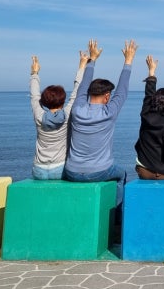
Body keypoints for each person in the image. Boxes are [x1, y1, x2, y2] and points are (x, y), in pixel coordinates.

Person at [64, 39, 138, 209]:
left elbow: (82, 85)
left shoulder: (77, 109)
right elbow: (123, 89)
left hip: (72, 171)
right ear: (107, 96)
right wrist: (128, 60)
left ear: (89, 93)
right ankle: (116, 215)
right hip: (100, 172)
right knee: (122, 175)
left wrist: (92, 59)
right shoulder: (109, 112)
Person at [28, 50, 88, 180]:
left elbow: (34, 95)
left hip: (39, 169)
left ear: (44, 101)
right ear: (62, 100)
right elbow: (76, 91)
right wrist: (82, 66)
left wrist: (34, 73)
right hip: (60, 168)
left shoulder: (39, 116)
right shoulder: (67, 115)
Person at [134, 55, 164, 180]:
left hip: (143, 170)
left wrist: (151, 73)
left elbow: (148, 94)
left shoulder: (146, 115)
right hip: (163, 173)